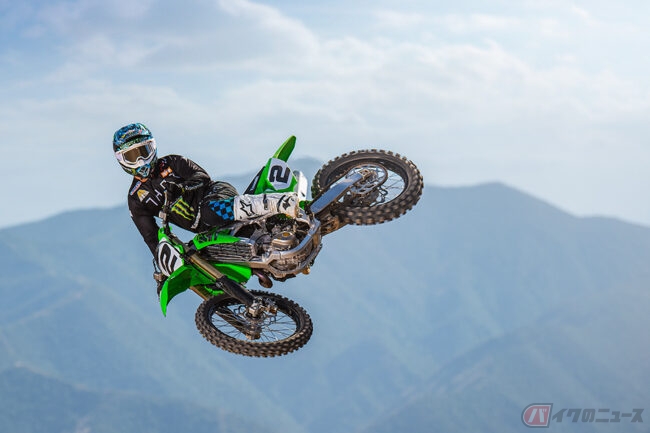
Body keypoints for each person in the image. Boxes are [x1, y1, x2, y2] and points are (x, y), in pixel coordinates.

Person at [113, 123, 299, 296]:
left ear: (152, 148)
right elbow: (152, 238)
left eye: (143, 151)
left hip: (215, 193)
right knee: (196, 257)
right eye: (132, 156)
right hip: (205, 228)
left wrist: (182, 187)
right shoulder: (135, 199)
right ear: (122, 160)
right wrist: (165, 270)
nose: (140, 160)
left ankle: (277, 202)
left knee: (210, 213)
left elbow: (202, 176)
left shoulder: (172, 162)